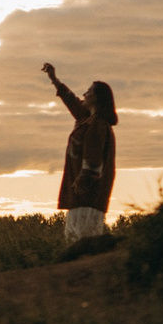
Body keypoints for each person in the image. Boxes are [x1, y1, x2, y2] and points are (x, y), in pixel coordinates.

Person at [42, 62, 116, 243]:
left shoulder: (97, 124)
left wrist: (81, 183)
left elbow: (94, 161)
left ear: (96, 98)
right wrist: (54, 80)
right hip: (81, 196)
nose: (84, 94)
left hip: (88, 196)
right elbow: (72, 101)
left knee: (83, 239)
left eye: (88, 92)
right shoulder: (87, 118)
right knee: (76, 238)